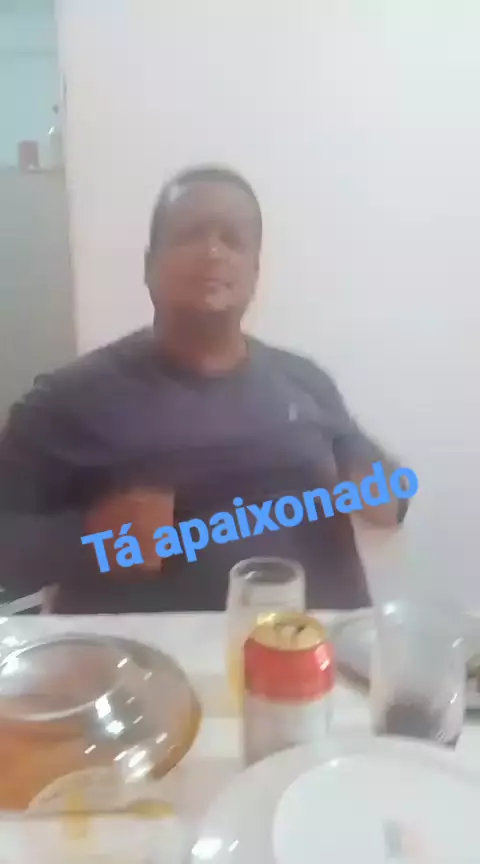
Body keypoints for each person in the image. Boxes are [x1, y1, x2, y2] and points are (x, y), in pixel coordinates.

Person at [0, 165, 409, 613]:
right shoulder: (70, 399)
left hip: (314, 648)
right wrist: (87, 538)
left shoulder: (306, 381)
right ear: (149, 265)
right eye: (190, 234)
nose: (213, 252)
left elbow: (387, 495)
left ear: (254, 272)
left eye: (233, 239)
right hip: (147, 655)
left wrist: (384, 488)